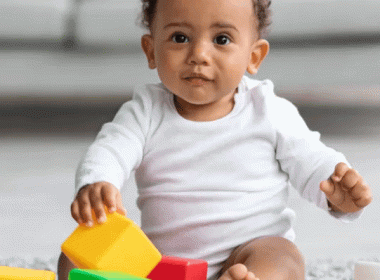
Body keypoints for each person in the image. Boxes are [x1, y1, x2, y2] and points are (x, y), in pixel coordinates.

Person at [57, 0, 373, 279]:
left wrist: (336, 193)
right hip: (159, 264)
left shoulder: (269, 110)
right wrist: (98, 182)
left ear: (254, 56)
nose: (199, 55)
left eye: (221, 39)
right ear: (151, 50)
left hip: (247, 252)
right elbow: (111, 150)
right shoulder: (145, 111)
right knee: (76, 256)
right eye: (180, 38)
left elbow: (311, 160)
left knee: (284, 258)